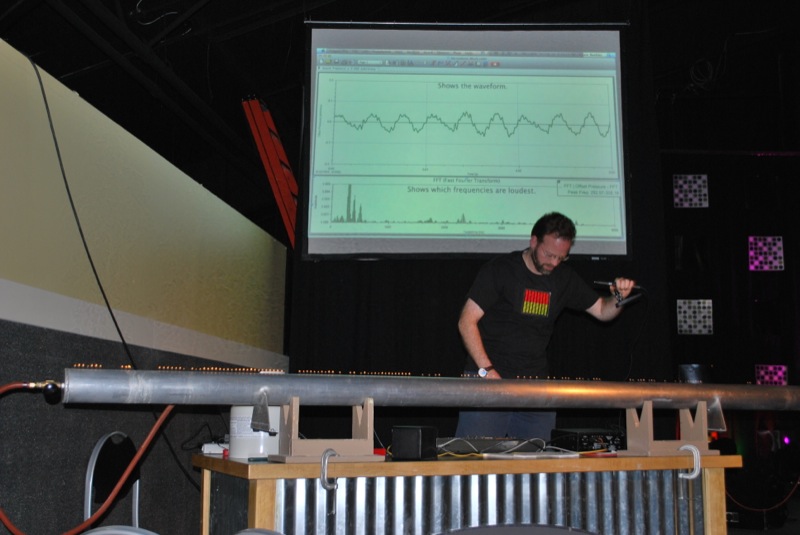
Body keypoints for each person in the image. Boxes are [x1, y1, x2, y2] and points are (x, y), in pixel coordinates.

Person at [454, 212, 636, 440]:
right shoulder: (501, 270)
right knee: (476, 458)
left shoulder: (564, 278)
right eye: (549, 255)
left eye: (561, 258)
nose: (554, 263)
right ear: (534, 241)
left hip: (535, 387)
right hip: (488, 382)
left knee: (539, 458)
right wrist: (486, 370)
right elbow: (466, 321)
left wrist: (619, 297)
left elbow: (601, 311)